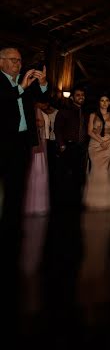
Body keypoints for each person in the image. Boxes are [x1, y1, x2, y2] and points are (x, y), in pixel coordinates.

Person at [0, 48, 49, 230]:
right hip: (2, 140)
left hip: (22, 141)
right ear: (1, 61)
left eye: (20, 60)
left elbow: (44, 98)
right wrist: (21, 87)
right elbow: (4, 98)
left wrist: (43, 83)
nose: (18, 64)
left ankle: (11, 225)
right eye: (14, 60)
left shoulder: (25, 80)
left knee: (17, 185)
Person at [84, 95, 110, 210]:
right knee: (96, 170)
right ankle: (93, 200)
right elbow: (89, 131)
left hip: (109, 144)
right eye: (102, 100)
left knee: (105, 171)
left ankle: (105, 200)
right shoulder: (93, 115)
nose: (104, 103)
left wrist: (108, 141)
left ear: (109, 103)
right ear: (99, 102)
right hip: (95, 144)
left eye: (106, 100)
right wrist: (101, 141)